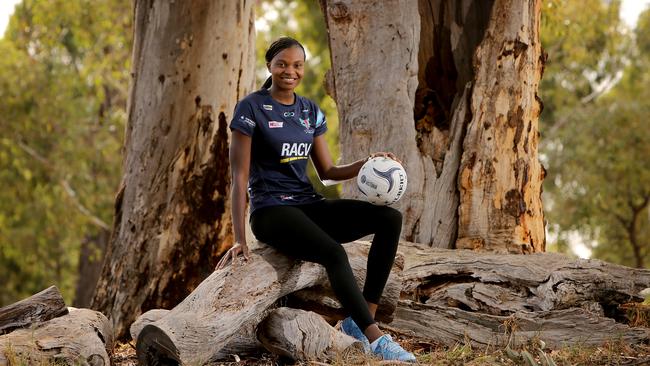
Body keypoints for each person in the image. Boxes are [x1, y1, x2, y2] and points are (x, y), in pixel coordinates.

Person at [217, 36, 416, 363]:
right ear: (270, 65)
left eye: (296, 65)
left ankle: (360, 319)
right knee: (333, 253)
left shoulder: (309, 111)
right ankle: (377, 340)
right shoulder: (250, 108)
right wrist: (239, 239)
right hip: (271, 211)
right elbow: (238, 178)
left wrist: (366, 162)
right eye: (282, 64)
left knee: (389, 219)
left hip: (308, 204)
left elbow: (327, 171)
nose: (289, 71)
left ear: (303, 69)